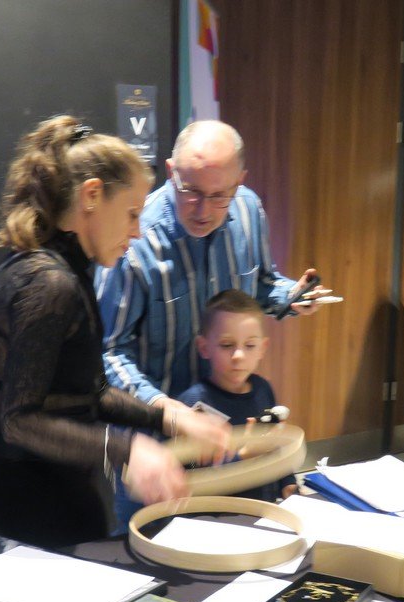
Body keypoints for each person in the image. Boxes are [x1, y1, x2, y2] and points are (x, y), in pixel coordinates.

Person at [0, 115, 230, 548]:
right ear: (92, 195)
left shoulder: (65, 269)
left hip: (48, 480)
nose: (137, 231)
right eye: (132, 213)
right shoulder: (49, 283)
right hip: (28, 490)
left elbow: (87, 393)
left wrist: (168, 416)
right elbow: (19, 421)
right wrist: (128, 448)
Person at [97, 120, 333, 523]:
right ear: (171, 171)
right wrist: (167, 410)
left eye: (220, 195)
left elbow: (261, 285)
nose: (203, 210)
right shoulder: (135, 238)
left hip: (231, 443)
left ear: (239, 182)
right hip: (158, 450)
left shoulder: (249, 211)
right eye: (190, 191)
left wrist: (291, 297)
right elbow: (108, 350)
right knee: (156, 550)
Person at [176, 290, 298, 501]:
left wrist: (288, 483)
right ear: (204, 347)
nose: (239, 355)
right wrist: (244, 455)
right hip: (216, 514)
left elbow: (275, 445)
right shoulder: (194, 404)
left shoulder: (263, 389)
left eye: (250, 346)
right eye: (227, 345)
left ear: (262, 348)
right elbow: (192, 476)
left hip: (264, 508)